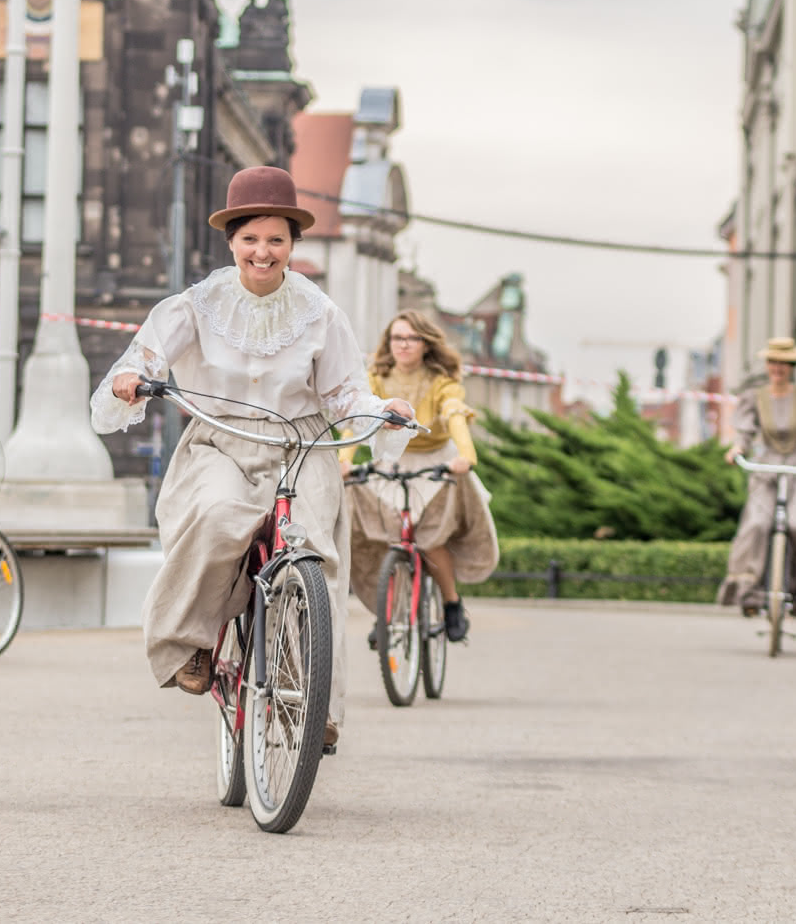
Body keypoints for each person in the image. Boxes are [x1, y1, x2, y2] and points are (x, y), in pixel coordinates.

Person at [90, 166, 413, 751]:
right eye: (251, 239)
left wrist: (379, 408)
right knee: (216, 516)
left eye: (276, 240)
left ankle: (316, 701)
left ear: (292, 244)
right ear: (232, 241)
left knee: (316, 553)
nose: (263, 252)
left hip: (303, 443)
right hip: (221, 440)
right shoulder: (194, 305)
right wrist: (131, 381)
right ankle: (192, 641)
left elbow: (344, 394)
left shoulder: (320, 312)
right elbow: (143, 358)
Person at [341, 310, 499, 643]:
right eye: (398, 338)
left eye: (412, 338)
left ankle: (452, 603)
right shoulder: (376, 377)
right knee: (389, 538)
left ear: (426, 344)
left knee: (431, 538)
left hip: (436, 460)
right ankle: (389, 613)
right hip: (392, 459)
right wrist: (344, 458)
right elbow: (355, 417)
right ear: (389, 343)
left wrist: (466, 456)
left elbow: (454, 414)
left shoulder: (442, 381)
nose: (404, 345)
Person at [718, 337, 796, 617]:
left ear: (792, 367)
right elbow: (744, 434)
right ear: (767, 365)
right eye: (774, 362)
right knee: (757, 524)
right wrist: (738, 448)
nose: (778, 368)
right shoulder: (754, 397)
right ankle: (748, 593)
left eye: (784, 363)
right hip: (767, 467)